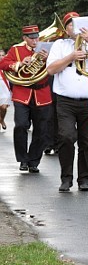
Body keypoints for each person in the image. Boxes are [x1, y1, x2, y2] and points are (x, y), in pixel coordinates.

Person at [46, 12, 88, 191]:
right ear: (66, 29)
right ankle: (66, 178)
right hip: (66, 101)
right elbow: (50, 69)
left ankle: (84, 179)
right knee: (66, 137)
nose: (75, 27)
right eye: (70, 25)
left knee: (86, 141)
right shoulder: (60, 45)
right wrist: (71, 57)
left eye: (77, 23)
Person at [0, 25, 52, 173]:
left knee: (41, 130)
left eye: (37, 37)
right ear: (24, 38)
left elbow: (57, 66)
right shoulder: (16, 50)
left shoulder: (47, 49)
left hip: (42, 93)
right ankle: (23, 159)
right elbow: (2, 63)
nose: (35, 41)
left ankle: (34, 161)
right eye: (31, 38)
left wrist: (48, 58)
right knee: (21, 125)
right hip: (22, 93)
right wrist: (20, 64)